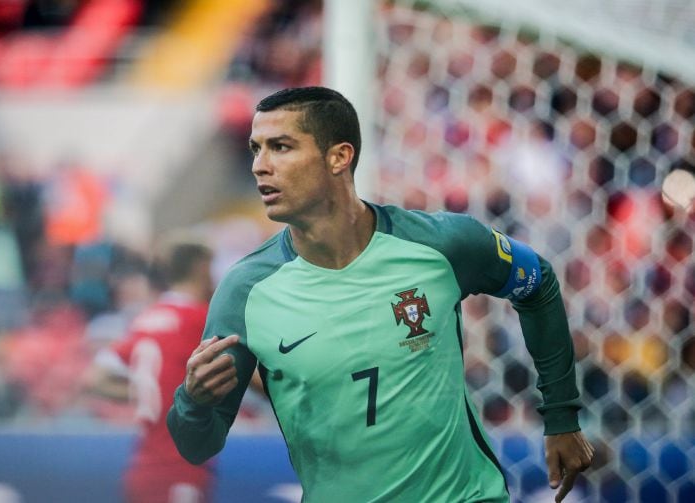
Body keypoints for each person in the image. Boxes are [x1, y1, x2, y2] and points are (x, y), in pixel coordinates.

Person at [167, 86, 594, 503]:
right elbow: (196, 447)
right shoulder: (245, 291)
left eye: (280, 147)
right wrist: (194, 402)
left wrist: (561, 418)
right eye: (255, 149)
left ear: (339, 156)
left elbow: (539, 284)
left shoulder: (443, 245)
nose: (260, 165)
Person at [84, 240, 216, 503]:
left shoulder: (146, 319)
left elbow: (93, 379)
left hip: (142, 464)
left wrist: (147, 389)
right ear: (201, 269)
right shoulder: (200, 319)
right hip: (180, 465)